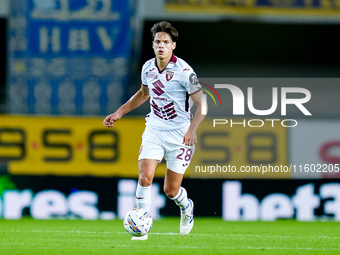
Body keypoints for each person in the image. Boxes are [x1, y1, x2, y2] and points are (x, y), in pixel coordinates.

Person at [103, 21, 206, 240]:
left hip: (180, 134)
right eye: (158, 42)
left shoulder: (184, 72)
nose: (161, 45)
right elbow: (142, 94)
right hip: (155, 129)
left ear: (173, 46)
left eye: (166, 42)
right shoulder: (148, 68)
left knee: (171, 190)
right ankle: (141, 230)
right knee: (145, 179)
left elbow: (203, 104)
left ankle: (186, 207)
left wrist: (192, 129)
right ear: (152, 45)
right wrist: (118, 113)